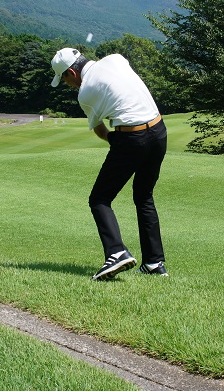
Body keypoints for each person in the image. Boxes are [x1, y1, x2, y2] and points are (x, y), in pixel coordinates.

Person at [50, 47, 168, 280]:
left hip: (132, 138)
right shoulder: (116, 58)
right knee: (144, 196)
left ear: (71, 73)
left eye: (64, 79)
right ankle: (154, 263)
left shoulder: (85, 93)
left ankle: (116, 252)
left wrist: (116, 140)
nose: (67, 84)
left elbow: (100, 129)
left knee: (99, 198)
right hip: (159, 131)